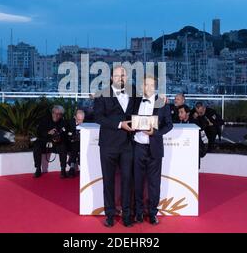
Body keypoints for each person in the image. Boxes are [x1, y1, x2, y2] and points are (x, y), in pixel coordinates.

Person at [93, 65, 136, 228]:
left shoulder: (133, 91)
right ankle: (109, 215)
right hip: (108, 145)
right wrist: (119, 124)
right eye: (117, 75)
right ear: (111, 77)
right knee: (108, 182)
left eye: (123, 75)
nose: (121, 78)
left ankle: (126, 215)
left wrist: (162, 99)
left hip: (127, 145)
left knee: (127, 181)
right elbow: (98, 118)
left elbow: (147, 103)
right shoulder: (102, 94)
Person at [133, 75, 173, 225]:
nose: (148, 88)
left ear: (155, 87)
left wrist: (154, 132)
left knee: (154, 183)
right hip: (137, 146)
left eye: (151, 85)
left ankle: (153, 213)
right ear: (141, 86)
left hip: (154, 148)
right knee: (137, 182)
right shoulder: (135, 101)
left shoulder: (162, 103)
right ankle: (138, 213)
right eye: (145, 85)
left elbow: (169, 125)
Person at [33, 105, 69, 179]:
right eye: (54, 113)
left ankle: (63, 170)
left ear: (61, 115)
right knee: (37, 145)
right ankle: (38, 169)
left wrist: (59, 137)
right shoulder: (45, 120)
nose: (56, 115)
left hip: (57, 143)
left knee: (63, 146)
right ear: (52, 113)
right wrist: (48, 132)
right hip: (45, 141)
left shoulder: (64, 122)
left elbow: (66, 134)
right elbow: (39, 132)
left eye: (58, 114)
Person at [66, 109, 85, 178]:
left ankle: (72, 166)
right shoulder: (70, 123)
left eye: (82, 119)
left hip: (83, 143)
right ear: (75, 117)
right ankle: (72, 167)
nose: (81, 122)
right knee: (75, 145)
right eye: (79, 120)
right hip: (72, 143)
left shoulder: (86, 122)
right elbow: (67, 134)